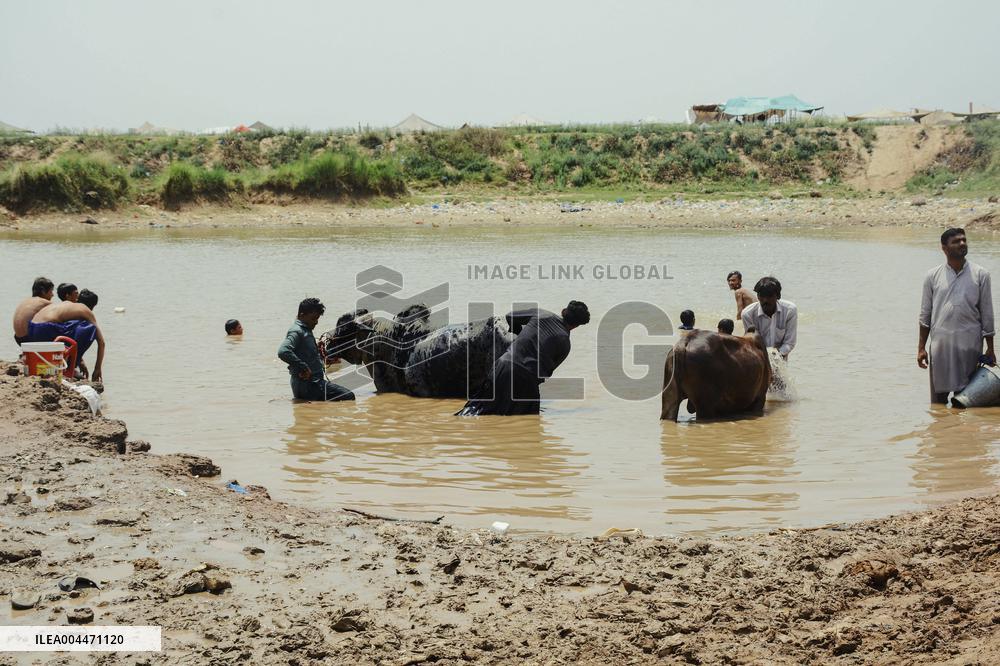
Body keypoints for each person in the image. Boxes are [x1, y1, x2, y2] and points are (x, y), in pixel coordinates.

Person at [457, 300, 590, 416]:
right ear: (577, 325)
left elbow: (510, 316)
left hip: (503, 365)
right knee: (528, 420)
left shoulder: (541, 314)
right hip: (527, 379)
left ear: (563, 311)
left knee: (477, 409)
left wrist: (518, 334)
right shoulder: (565, 345)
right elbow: (545, 373)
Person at [918, 228, 995, 404]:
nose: (962, 243)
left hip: (970, 347)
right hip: (941, 348)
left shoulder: (981, 274)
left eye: (964, 240)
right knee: (938, 402)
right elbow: (925, 314)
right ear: (944, 248)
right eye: (956, 241)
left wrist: (990, 348)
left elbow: (987, 313)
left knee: (966, 401)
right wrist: (921, 348)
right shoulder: (932, 276)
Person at [277, 298, 354, 401]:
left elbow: (304, 353)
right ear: (302, 315)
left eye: (317, 318)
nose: (316, 322)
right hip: (310, 385)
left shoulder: (305, 330)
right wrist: (303, 367)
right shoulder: (297, 331)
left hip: (310, 384)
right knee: (349, 396)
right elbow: (283, 351)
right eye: (313, 318)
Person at [29, 297, 105, 382]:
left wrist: (81, 362)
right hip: (46, 328)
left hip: (32, 328)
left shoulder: (66, 306)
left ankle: (63, 364)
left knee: (73, 327)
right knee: (90, 328)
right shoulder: (86, 310)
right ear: (92, 307)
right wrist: (97, 369)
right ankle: (69, 367)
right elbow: (101, 342)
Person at [741, 276, 797, 359]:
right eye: (762, 296)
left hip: (780, 358)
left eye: (769, 296)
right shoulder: (748, 314)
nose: (765, 300)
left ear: (778, 296)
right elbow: (753, 343)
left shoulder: (790, 310)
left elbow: (789, 343)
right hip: (759, 359)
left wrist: (776, 357)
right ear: (758, 296)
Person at [12, 277, 55, 345]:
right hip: (29, 338)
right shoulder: (44, 302)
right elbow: (60, 312)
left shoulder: (25, 301)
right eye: (51, 291)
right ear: (43, 291)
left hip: (18, 338)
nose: (53, 295)